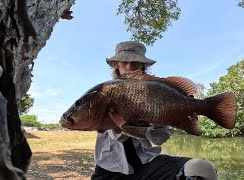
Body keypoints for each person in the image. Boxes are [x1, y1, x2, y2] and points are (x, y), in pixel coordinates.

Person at [91, 41, 218, 180]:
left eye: (135, 61)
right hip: (109, 168)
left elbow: (160, 138)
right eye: (124, 61)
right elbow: (116, 134)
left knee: (203, 169)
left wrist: (168, 119)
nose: (129, 66)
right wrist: (131, 128)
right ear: (116, 64)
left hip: (146, 163)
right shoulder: (103, 94)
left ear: (143, 65)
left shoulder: (156, 92)